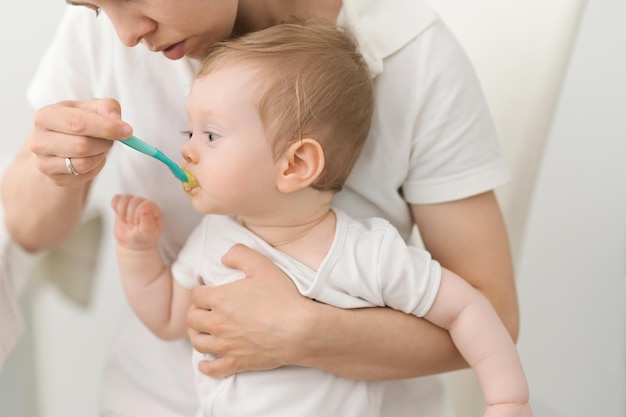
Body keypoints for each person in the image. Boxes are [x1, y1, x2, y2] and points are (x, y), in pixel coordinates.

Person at [1, 1, 518, 416]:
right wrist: (64, 171)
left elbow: (486, 312)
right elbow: (30, 230)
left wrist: (301, 334)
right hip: (154, 397)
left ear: (297, 163)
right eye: (95, 8)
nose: (125, 36)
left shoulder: (414, 58)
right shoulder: (216, 240)